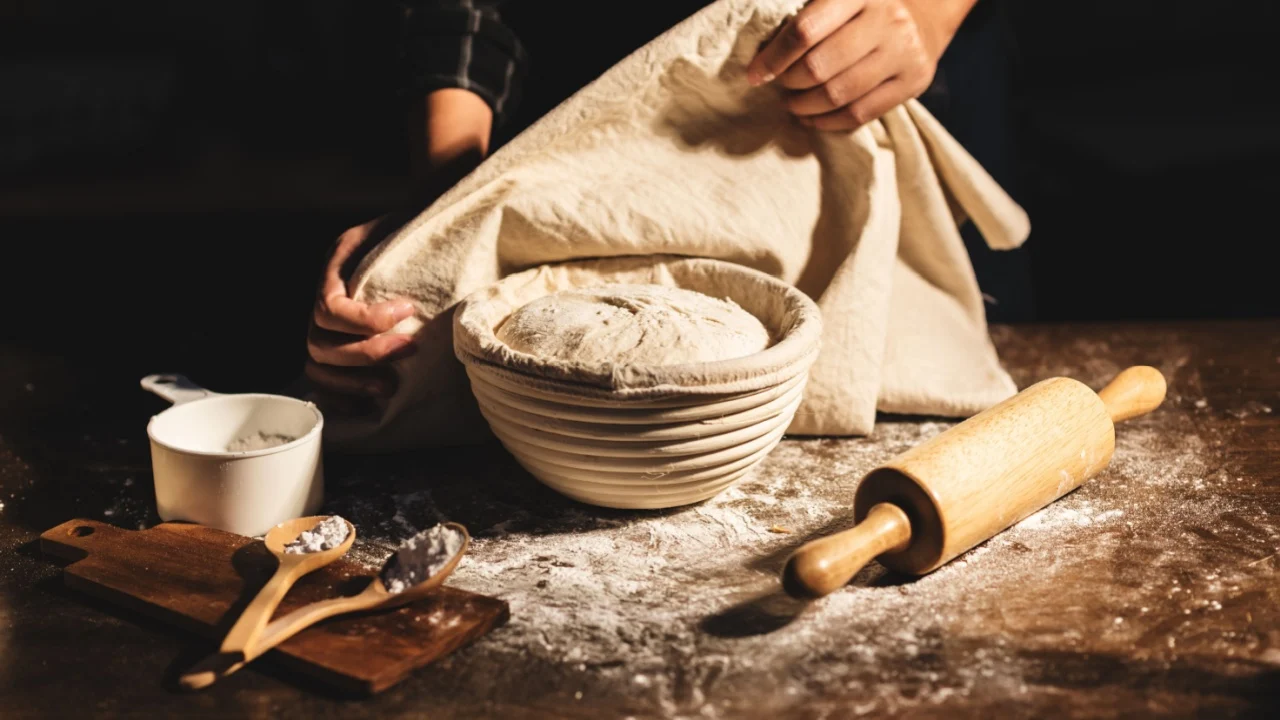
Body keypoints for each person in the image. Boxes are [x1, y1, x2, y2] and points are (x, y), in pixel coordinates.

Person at [305, 0, 999, 407]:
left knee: (927, 372)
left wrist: (929, 12)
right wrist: (448, 212)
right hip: (584, 121)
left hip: (873, 81)